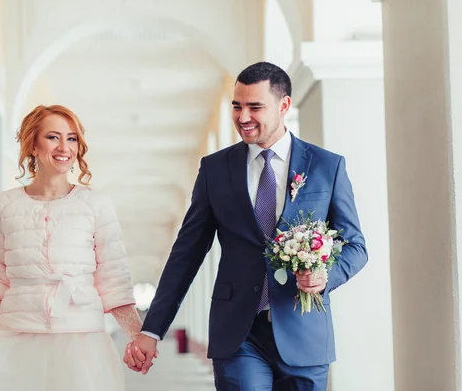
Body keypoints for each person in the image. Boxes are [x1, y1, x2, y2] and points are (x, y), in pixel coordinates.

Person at [124, 62, 368, 390]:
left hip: (304, 332)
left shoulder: (326, 166)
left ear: (284, 105)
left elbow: (355, 246)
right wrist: (152, 330)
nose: (243, 117)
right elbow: (186, 253)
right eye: (236, 106)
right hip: (239, 335)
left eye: (255, 106)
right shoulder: (215, 170)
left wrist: (326, 276)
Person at [0, 104, 152, 391]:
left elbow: (113, 280)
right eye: (53, 137)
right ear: (32, 144)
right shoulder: (3, 205)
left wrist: (136, 336)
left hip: (82, 341)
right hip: (19, 337)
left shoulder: (96, 204)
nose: (64, 147)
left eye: (72, 138)